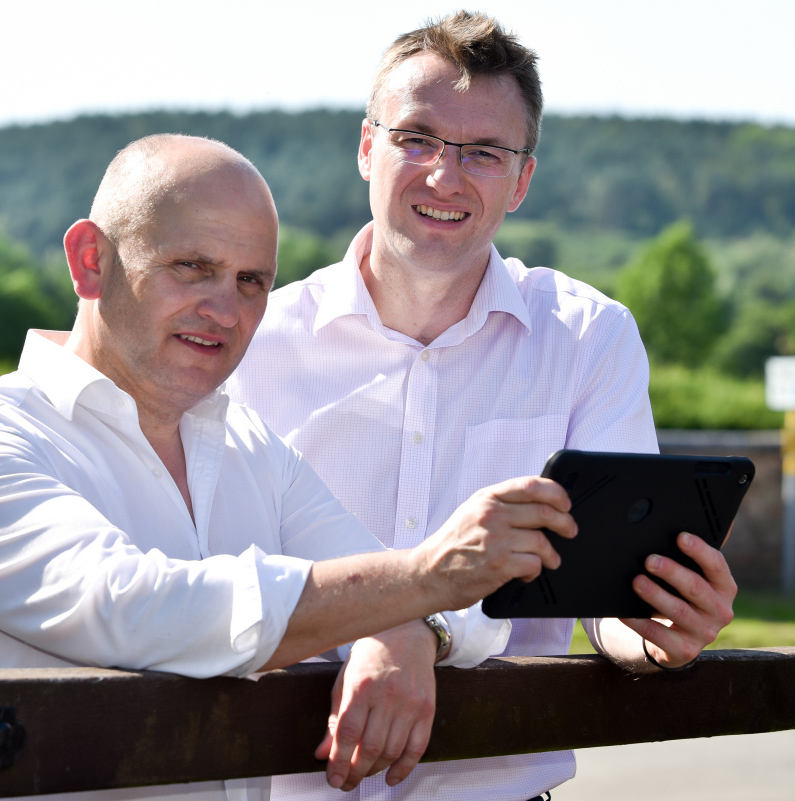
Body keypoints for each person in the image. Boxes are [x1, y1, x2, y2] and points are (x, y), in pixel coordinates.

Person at [0, 133, 579, 801]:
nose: (225, 311)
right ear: (90, 261)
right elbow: (143, 611)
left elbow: (438, 604)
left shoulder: (250, 447)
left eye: (252, 281)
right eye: (192, 267)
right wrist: (423, 581)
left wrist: (412, 625)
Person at [227, 11, 737, 801]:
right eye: (417, 138)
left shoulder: (588, 337)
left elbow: (609, 599)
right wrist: (398, 621)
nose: (444, 176)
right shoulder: (253, 341)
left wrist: (657, 632)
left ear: (521, 181)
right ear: (366, 148)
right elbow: (214, 578)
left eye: (484, 153)